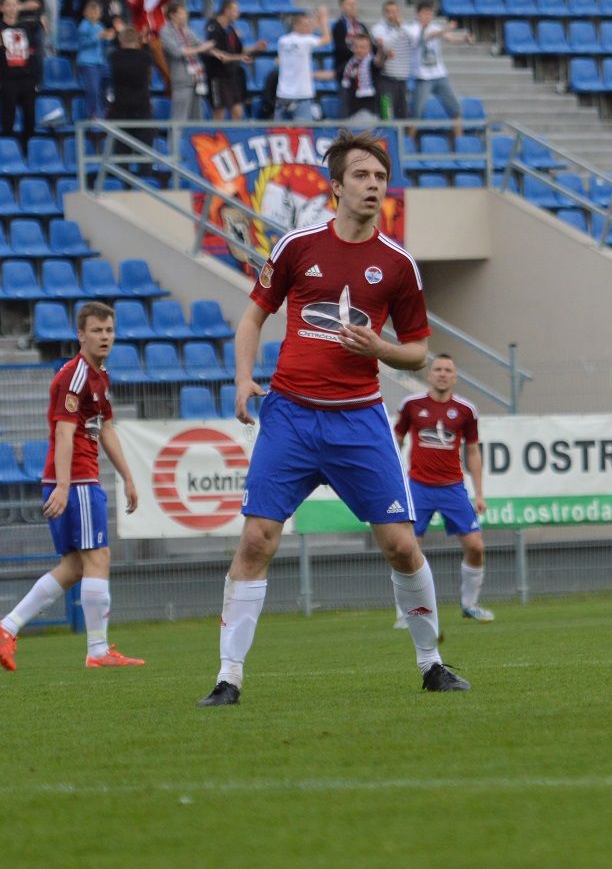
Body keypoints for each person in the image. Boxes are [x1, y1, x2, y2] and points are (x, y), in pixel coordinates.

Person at [199, 129, 469, 707]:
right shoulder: (296, 246)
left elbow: (419, 351)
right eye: (362, 177)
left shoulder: (398, 266)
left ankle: (432, 663)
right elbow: (252, 320)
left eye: (380, 178)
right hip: (291, 417)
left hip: (359, 421)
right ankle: (228, 678)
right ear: (337, 185)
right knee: (256, 541)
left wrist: (380, 349)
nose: (374, 186)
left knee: (400, 543)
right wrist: (244, 379)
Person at [0, 302, 144, 671]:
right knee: (98, 557)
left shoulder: (98, 376)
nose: (104, 337)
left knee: (75, 566)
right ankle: (98, 651)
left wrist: (128, 477)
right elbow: (63, 431)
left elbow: (105, 427)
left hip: (77, 480)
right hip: (76, 481)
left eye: (109, 330)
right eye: (96, 331)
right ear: (81, 335)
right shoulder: (75, 376)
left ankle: (6, 627)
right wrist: (62, 485)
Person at [393, 355, 493, 624]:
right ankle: (407, 612)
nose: (442, 374)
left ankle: (470, 605)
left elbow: (472, 451)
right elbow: (396, 442)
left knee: (476, 546)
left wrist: (479, 493)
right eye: (437, 369)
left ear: (455, 376)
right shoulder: (412, 405)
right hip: (418, 488)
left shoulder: (466, 410)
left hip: (453, 489)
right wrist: (394, 483)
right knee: (408, 550)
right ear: (429, 375)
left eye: (448, 370)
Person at [0, 0, 44, 145]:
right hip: (8, 79)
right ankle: (8, 147)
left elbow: (33, 53)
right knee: (7, 116)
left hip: (27, 78)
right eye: (8, 4)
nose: (12, 8)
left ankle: (27, 149)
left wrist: (35, 76)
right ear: (1, 8)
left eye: (15, 4)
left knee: (30, 117)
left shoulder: (26, 28)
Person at [403, 2, 473, 140]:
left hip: (440, 75)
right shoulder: (412, 29)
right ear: (418, 15)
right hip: (423, 77)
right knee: (416, 113)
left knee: (456, 109)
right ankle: (408, 142)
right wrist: (444, 30)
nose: (428, 17)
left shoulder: (436, 27)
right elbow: (427, 37)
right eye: (425, 13)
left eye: (430, 14)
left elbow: (450, 38)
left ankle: (460, 142)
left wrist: (464, 39)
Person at [205, 0, 261, 121]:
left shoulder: (231, 29)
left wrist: (255, 48)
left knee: (238, 111)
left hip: (232, 75)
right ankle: (217, 138)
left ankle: (234, 138)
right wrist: (240, 58)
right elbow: (220, 55)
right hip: (218, 76)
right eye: (235, 10)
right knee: (220, 112)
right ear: (227, 11)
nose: (238, 13)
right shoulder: (213, 27)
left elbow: (238, 52)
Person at [273, 7, 331, 122]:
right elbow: (327, 39)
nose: (309, 27)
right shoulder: (306, 41)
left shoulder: (283, 40)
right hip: (301, 95)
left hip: (283, 94)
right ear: (296, 26)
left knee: (279, 132)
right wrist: (324, 20)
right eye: (306, 25)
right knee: (303, 133)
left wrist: (315, 21)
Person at [160, 1, 213, 121]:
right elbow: (177, 51)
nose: (185, 15)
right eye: (182, 13)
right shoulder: (165, 31)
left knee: (197, 118)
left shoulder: (187, 31)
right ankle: (175, 140)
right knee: (180, 117)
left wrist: (217, 51)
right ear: (172, 15)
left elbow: (201, 45)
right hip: (181, 80)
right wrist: (201, 48)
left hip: (196, 79)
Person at [371, 0, 415, 119]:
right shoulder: (378, 28)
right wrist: (397, 30)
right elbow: (385, 46)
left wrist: (401, 27)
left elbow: (416, 42)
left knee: (404, 116)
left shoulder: (406, 28)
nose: (392, 15)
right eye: (389, 12)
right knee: (386, 115)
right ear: (384, 13)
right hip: (386, 79)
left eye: (395, 12)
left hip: (403, 79)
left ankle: (403, 138)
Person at [107, 27, 154, 133]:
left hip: (120, 105)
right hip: (142, 106)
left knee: (121, 145)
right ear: (138, 40)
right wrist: (145, 44)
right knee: (143, 146)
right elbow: (149, 75)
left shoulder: (114, 56)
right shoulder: (146, 57)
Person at [74, 0, 112, 119]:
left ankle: (104, 109)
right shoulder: (83, 26)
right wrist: (98, 37)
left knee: (108, 82)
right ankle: (93, 114)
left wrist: (107, 38)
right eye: (93, 11)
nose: (95, 13)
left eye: (97, 11)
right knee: (93, 89)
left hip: (100, 62)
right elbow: (82, 43)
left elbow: (103, 45)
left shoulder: (100, 26)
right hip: (88, 63)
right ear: (86, 13)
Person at [338, 30, 382, 119]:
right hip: (351, 109)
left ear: (369, 48)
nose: (359, 50)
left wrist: (380, 48)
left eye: (363, 47)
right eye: (356, 47)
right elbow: (335, 74)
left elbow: (378, 62)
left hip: (369, 108)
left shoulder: (371, 62)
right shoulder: (349, 64)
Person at [330, 0, 370, 78]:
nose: (352, 7)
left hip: (363, 69)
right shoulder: (339, 26)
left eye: (354, 4)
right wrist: (358, 54)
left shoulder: (361, 26)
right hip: (345, 67)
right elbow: (340, 48)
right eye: (349, 4)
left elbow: (370, 45)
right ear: (342, 7)